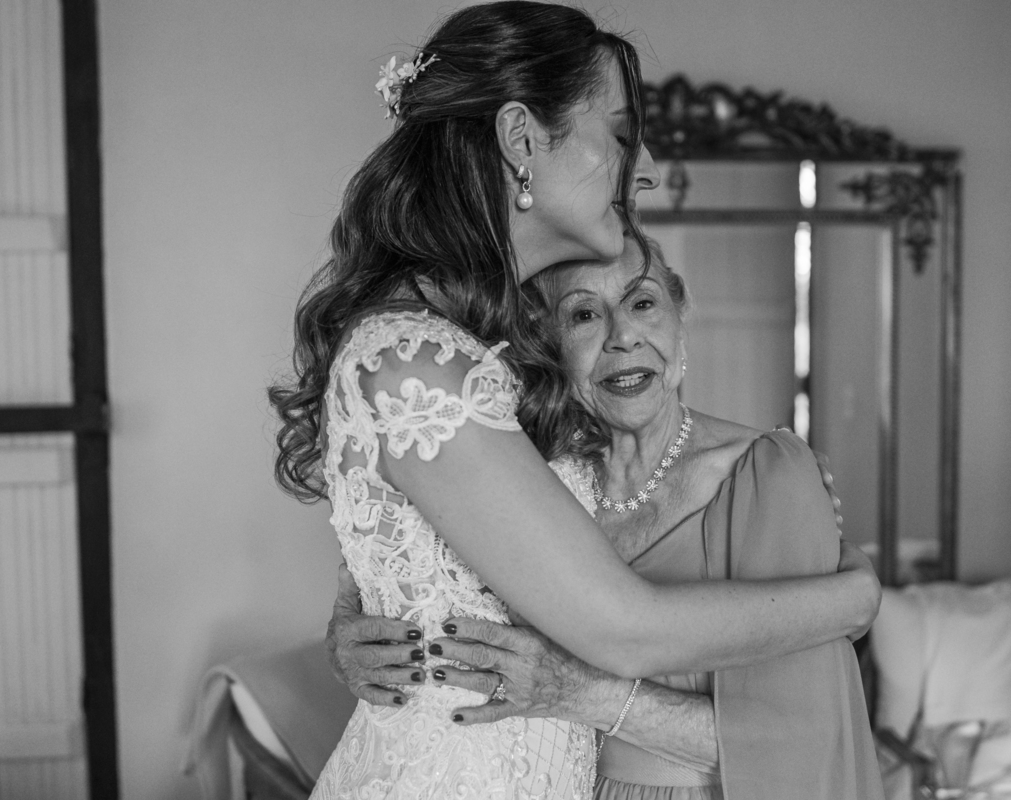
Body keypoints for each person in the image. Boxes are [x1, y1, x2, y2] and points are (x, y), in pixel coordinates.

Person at [269, 3, 880, 797]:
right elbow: (625, 628)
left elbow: (440, 541)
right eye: (622, 135)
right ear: (521, 139)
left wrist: (369, 608)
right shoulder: (417, 357)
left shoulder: (483, 351)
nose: (645, 168)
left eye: (644, 303)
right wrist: (855, 596)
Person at [324, 239, 883, 800]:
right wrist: (358, 633)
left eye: (643, 303)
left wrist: (580, 692)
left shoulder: (767, 477)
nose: (623, 336)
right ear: (546, 341)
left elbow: (803, 738)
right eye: (584, 315)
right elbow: (410, 571)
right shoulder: (533, 478)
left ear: (680, 315)